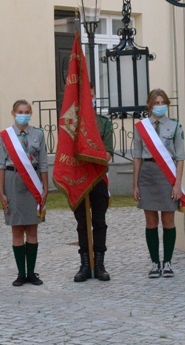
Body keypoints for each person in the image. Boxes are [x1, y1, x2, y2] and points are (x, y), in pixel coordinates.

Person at [132, 89, 185, 278]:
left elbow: (180, 158)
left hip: (167, 176)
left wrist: (177, 184)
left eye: (162, 102)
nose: (160, 106)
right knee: (151, 221)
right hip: (147, 175)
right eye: (156, 103)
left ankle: (168, 262)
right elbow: (137, 157)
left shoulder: (175, 125)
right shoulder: (141, 127)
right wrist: (135, 184)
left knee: (168, 221)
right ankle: (155, 263)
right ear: (149, 105)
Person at [0, 99, 48, 287]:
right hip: (13, 181)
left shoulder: (38, 134)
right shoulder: (5, 136)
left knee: (32, 229)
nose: (23, 114)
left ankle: (32, 273)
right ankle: (21, 273)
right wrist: (1, 192)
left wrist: (45, 187)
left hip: (33, 183)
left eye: (27, 111)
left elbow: (43, 163)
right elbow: (0, 165)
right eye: (20, 111)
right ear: (13, 113)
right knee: (17, 229)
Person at [73, 85, 113, 283]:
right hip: (78, 180)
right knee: (82, 223)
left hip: (97, 180)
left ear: (95, 97)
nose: (89, 99)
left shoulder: (103, 123)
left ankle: (99, 263)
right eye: (84, 96)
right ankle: (85, 264)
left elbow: (107, 154)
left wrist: (94, 163)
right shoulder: (71, 125)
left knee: (99, 222)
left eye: (91, 96)